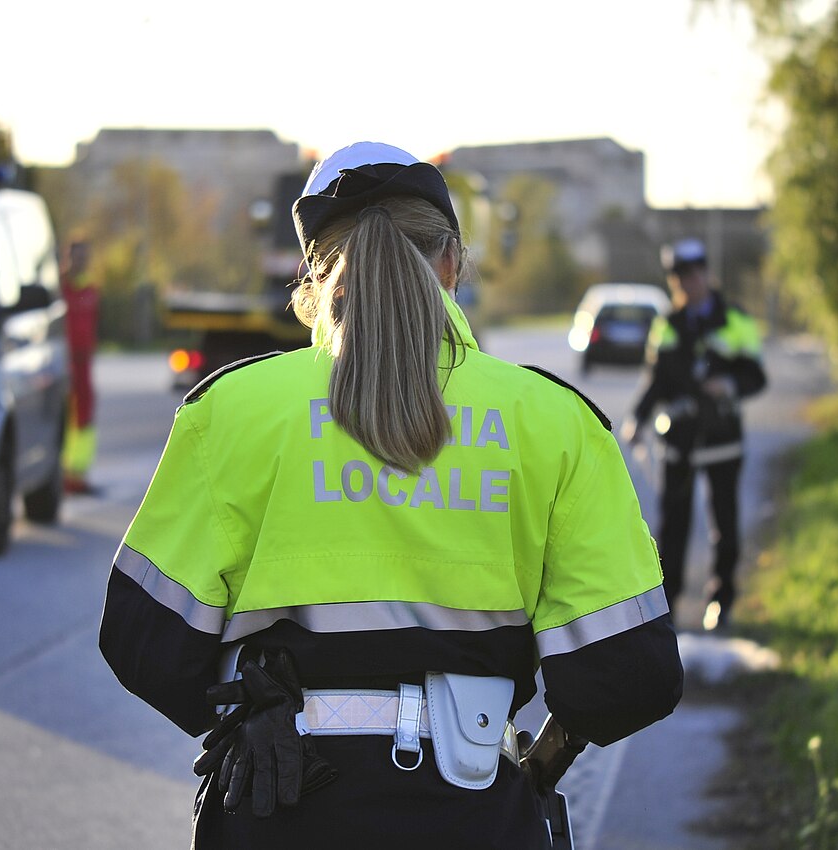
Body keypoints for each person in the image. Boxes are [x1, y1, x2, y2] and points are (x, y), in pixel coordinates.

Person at [99, 141, 683, 849]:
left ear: (312, 278)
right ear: (452, 264)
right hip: (474, 816)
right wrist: (539, 763)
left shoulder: (233, 410)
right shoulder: (554, 421)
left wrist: (245, 701)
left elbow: (141, 640)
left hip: (280, 814)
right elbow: (629, 675)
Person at [622, 238, 767, 631]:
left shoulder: (735, 319)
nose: (688, 283)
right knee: (672, 528)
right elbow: (655, 380)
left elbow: (757, 376)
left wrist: (730, 385)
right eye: (680, 278)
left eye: (694, 274)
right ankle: (668, 606)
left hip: (722, 439)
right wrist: (637, 418)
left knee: (725, 523)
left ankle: (721, 602)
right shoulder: (667, 324)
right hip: (679, 442)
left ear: (707, 274)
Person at [60, 237, 99, 494]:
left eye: (85, 256)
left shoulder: (92, 291)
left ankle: (79, 474)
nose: (81, 261)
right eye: (77, 256)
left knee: (84, 416)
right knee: (62, 416)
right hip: (62, 363)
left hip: (84, 364)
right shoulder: (59, 289)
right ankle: (61, 474)